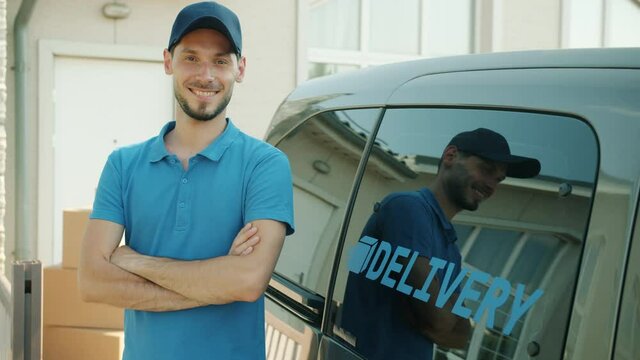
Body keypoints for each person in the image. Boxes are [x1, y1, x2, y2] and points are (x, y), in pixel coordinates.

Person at [77, 2, 294, 359]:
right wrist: (214, 282)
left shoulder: (265, 165)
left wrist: (134, 261)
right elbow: (92, 282)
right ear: (168, 62)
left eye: (221, 60)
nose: (206, 75)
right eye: (191, 57)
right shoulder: (123, 165)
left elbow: (247, 281)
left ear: (240, 69)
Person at [340, 128, 540, 359]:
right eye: (486, 170)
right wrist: (438, 316)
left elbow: (460, 335)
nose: (491, 186)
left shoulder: (450, 247)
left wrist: (438, 316)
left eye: (498, 180)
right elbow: (438, 318)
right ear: (450, 156)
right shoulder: (408, 208)